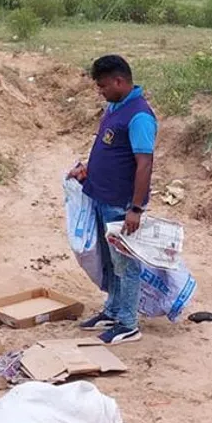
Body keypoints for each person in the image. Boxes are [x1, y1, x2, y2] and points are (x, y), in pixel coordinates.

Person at [67, 55, 157, 345]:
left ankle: (129, 323)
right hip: (101, 197)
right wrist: (88, 171)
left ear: (120, 81)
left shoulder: (139, 116)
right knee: (109, 261)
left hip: (121, 204)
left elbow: (144, 164)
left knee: (125, 264)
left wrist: (136, 207)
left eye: (103, 85)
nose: (100, 91)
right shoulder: (116, 107)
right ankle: (113, 310)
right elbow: (110, 151)